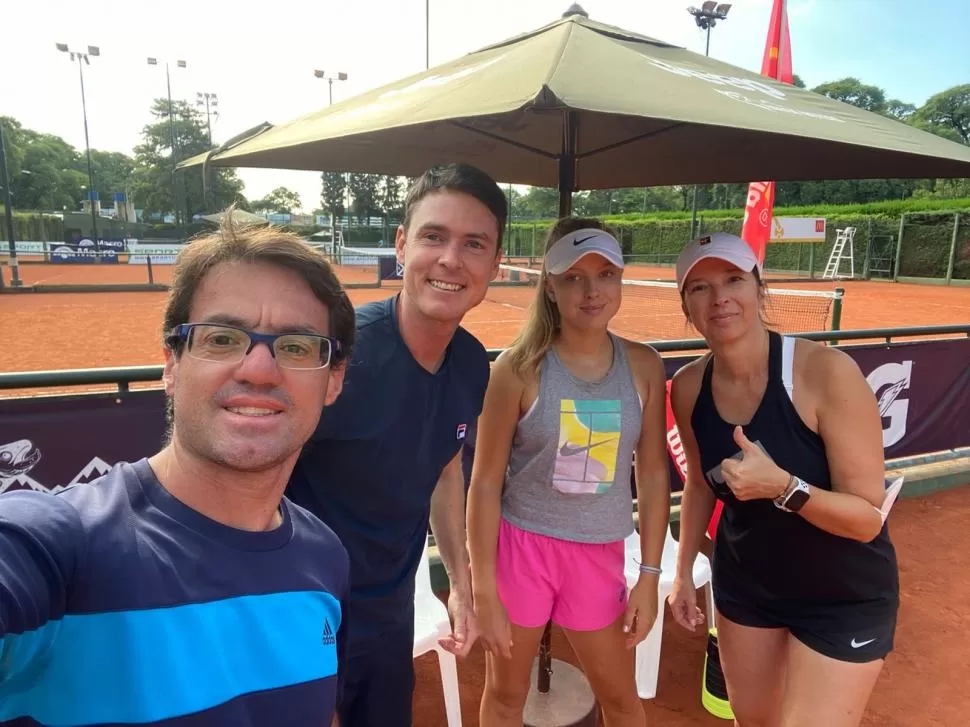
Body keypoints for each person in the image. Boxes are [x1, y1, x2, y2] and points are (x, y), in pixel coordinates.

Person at [0, 217, 357, 725]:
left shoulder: (325, 558)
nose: (258, 369)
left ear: (334, 380)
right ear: (171, 364)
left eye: (297, 347)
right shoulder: (57, 544)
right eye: (222, 339)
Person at [287, 163, 508, 727]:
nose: (451, 260)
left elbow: (445, 469)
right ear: (402, 245)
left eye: (474, 244)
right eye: (434, 236)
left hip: (391, 612)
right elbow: (254, 485)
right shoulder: (336, 357)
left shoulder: (470, 365)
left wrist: (460, 584)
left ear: (495, 265)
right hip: (300, 614)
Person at [666, 232, 899, 727]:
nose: (719, 297)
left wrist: (784, 487)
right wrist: (683, 570)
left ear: (759, 289)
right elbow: (702, 485)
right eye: (699, 288)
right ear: (686, 306)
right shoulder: (689, 386)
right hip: (747, 587)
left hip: (843, 594)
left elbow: (865, 521)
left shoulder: (826, 373)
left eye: (732, 279)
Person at [467, 218, 671, 727]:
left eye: (605, 274)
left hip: (598, 555)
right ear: (551, 288)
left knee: (622, 701)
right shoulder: (516, 369)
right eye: (574, 277)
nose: (592, 289)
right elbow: (485, 483)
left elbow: (650, 476)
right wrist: (484, 588)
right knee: (506, 697)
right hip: (522, 551)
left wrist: (649, 575)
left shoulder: (643, 366)